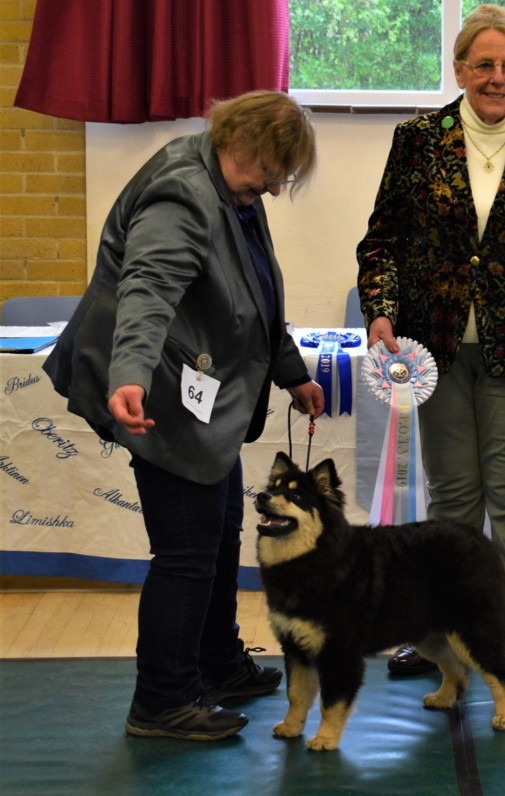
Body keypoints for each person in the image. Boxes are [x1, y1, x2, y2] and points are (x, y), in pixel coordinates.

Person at [44, 90, 324, 740]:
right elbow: (147, 291)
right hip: (155, 391)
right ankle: (162, 701)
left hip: (191, 395)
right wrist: (130, 378)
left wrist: (292, 375)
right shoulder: (181, 193)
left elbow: (258, 295)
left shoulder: (233, 190)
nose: (278, 189)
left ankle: (216, 662)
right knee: (186, 552)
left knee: (220, 524)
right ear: (245, 146)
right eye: (273, 173)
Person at [355, 4, 505, 695]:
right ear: (460, 69)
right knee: (453, 502)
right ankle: (438, 637)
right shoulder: (416, 140)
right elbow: (382, 243)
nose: (497, 77)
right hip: (435, 348)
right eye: (484, 65)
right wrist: (381, 312)